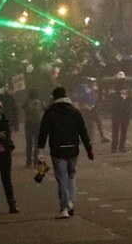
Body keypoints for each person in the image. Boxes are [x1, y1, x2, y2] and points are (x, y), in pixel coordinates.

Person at [38, 86, 94, 219]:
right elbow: (83, 131)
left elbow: (43, 132)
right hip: (73, 149)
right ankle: (71, 202)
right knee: (71, 176)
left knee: (61, 178)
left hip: (57, 150)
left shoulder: (50, 112)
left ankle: (64, 208)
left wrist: (40, 150)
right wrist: (89, 148)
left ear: (54, 97)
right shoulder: (75, 111)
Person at [22, 89, 46, 167]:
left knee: (29, 144)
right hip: (38, 124)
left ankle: (28, 161)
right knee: (37, 144)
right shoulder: (41, 102)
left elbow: (23, 108)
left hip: (28, 124)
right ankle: (36, 161)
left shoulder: (27, 102)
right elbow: (46, 109)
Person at [107, 74, 131, 153]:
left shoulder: (127, 93)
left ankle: (121, 146)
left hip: (124, 113)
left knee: (123, 130)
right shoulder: (114, 93)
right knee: (116, 131)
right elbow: (111, 102)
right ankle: (115, 147)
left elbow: (131, 101)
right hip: (117, 113)